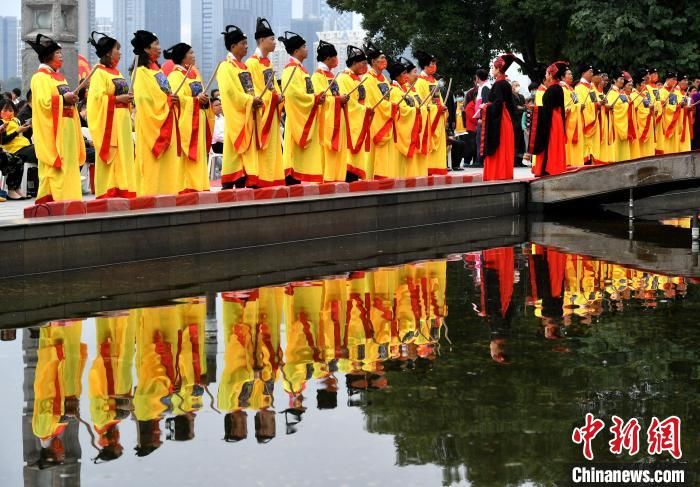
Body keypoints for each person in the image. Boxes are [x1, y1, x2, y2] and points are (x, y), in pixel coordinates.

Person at [27, 33, 86, 203]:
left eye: (61, 52)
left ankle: (71, 197)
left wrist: (73, 99)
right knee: (57, 162)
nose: (61, 55)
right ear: (48, 56)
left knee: (69, 162)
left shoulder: (59, 77)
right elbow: (43, 104)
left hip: (67, 126)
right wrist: (63, 99)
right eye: (58, 53)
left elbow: (65, 99)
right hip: (55, 128)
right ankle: (57, 197)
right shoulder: (39, 77)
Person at [86, 31, 137, 199]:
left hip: (122, 120)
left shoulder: (117, 73)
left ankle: (125, 187)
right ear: (108, 52)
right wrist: (117, 99)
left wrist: (129, 99)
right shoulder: (98, 72)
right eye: (117, 49)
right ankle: (109, 189)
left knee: (125, 154)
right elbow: (96, 100)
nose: (120, 53)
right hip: (110, 121)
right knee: (113, 154)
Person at [131, 30, 181, 196]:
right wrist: (167, 101)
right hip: (150, 123)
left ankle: (169, 193)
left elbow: (165, 91)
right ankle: (148, 196)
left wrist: (172, 99)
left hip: (167, 118)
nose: (160, 48)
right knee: (151, 164)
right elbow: (144, 99)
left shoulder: (157, 70)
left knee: (168, 164)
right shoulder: (140, 72)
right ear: (146, 49)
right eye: (156, 45)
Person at [164, 42, 213, 193]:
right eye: (191, 53)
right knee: (188, 156)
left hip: (200, 117)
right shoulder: (174, 75)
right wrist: (196, 100)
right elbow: (177, 98)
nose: (194, 55)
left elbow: (201, 93)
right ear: (183, 58)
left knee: (200, 154)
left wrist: (204, 99)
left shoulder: (195, 73)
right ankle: (186, 185)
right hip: (187, 121)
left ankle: (200, 185)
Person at [217, 25, 262, 189]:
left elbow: (251, 89)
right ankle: (231, 179)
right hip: (237, 115)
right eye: (243, 43)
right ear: (233, 46)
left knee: (246, 148)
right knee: (233, 147)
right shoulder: (225, 66)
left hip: (248, 114)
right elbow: (230, 93)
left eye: (246, 43)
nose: (246, 46)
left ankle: (247, 177)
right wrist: (250, 101)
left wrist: (256, 99)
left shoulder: (244, 67)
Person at [280, 31, 324, 184]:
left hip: (305, 113)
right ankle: (292, 176)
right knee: (293, 152)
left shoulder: (300, 69)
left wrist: (316, 97)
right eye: (304, 47)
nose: (307, 49)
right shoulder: (290, 69)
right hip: (296, 118)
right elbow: (293, 95)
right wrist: (314, 98)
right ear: (296, 51)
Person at [246, 18, 285, 187]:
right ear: (262, 40)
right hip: (262, 114)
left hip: (272, 111)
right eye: (272, 39)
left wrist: (280, 96)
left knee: (273, 149)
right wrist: (273, 98)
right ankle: (260, 179)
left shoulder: (268, 63)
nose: (275, 43)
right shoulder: (251, 63)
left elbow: (273, 87)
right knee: (263, 148)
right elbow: (255, 91)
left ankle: (272, 179)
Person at [311, 40, 350, 182]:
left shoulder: (332, 76)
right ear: (328, 58)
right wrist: (339, 100)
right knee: (328, 153)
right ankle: (327, 180)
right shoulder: (317, 76)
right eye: (335, 56)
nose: (337, 60)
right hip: (327, 122)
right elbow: (321, 99)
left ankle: (338, 179)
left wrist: (342, 98)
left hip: (338, 119)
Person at [336, 45, 371, 181]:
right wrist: (364, 110)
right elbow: (348, 103)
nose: (365, 66)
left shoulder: (358, 79)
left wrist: (367, 110)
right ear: (354, 63)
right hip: (350, 124)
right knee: (349, 158)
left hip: (359, 120)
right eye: (363, 63)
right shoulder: (343, 78)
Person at [363, 41, 397, 179]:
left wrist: (393, 105)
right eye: (381, 58)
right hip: (375, 122)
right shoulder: (367, 78)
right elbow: (374, 101)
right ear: (373, 61)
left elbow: (389, 97)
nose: (384, 61)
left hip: (387, 119)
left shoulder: (384, 78)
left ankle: (385, 175)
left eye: (384, 58)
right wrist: (392, 107)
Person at [481, 53, 516, 181]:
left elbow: (497, 104)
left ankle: (496, 174)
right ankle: (505, 173)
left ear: (498, 69)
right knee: (504, 146)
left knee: (498, 146)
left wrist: (485, 107)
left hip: (499, 119)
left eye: (492, 68)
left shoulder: (498, 84)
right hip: (506, 119)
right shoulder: (506, 84)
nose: (491, 70)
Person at [530, 61, 567, 177]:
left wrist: (536, 109)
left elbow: (548, 109)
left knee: (550, 144)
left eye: (547, 73)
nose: (545, 76)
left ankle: (549, 167)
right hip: (556, 119)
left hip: (552, 120)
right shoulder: (557, 88)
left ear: (551, 75)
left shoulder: (552, 89)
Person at [414, 50, 448, 176]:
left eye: (435, 63)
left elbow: (439, 99)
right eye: (431, 64)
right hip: (428, 119)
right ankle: (427, 169)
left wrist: (443, 107)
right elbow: (421, 103)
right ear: (425, 66)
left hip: (437, 117)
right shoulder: (420, 82)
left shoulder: (434, 81)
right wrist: (436, 109)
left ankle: (438, 168)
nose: (434, 66)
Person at [388, 58, 422, 177]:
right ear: (397, 76)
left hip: (408, 128)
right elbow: (400, 110)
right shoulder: (394, 90)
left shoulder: (404, 89)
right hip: (399, 132)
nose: (406, 76)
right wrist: (415, 111)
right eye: (403, 73)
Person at [0, 100, 35, 199]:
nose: (9, 112)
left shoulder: (16, 120)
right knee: (18, 158)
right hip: (11, 148)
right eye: (5, 110)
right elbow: (3, 141)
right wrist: (16, 131)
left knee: (19, 160)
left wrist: (26, 128)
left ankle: (16, 188)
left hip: (24, 145)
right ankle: (11, 189)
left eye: (11, 110)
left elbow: (21, 135)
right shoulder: (1, 122)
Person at [561, 68, 584, 167]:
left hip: (576, 120)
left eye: (571, 74)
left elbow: (575, 102)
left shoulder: (571, 89)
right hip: (570, 122)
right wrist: (579, 106)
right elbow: (566, 107)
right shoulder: (563, 89)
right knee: (570, 143)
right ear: (562, 77)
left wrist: (579, 106)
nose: (571, 76)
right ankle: (570, 162)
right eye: (568, 74)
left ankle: (576, 162)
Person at [633, 72, 655, 157]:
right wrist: (649, 111)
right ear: (637, 85)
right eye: (641, 84)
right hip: (641, 125)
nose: (643, 85)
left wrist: (652, 108)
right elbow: (638, 111)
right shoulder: (633, 95)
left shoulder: (644, 95)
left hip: (648, 123)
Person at [473, 68, 491, 167]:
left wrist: (481, 117)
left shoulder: (485, 88)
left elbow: (485, 103)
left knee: (480, 139)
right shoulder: (483, 87)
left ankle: (480, 160)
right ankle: (479, 159)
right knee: (479, 139)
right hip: (481, 118)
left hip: (482, 118)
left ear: (478, 78)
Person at [511, 81, 526, 167]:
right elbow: (515, 107)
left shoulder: (521, 96)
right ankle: (514, 160)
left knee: (521, 142)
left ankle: (521, 160)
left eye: (518, 85)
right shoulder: (511, 96)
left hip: (522, 120)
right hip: (515, 122)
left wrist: (522, 108)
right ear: (512, 87)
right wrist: (522, 108)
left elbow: (524, 106)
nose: (517, 87)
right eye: (516, 85)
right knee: (515, 141)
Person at [462, 88, 478, 166]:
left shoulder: (475, 105)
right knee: (470, 147)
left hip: (475, 129)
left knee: (475, 146)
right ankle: (466, 162)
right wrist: (479, 122)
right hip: (471, 129)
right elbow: (472, 118)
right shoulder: (470, 106)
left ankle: (475, 161)